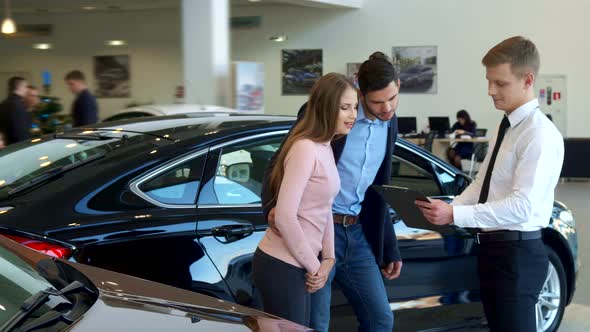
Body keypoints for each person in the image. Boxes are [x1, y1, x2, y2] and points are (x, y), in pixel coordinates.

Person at [415, 36, 564, 332]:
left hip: (518, 257)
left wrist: (454, 215)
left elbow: (523, 206)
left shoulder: (539, 134)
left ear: (527, 80)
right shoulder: (505, 125)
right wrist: (449, 207)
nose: (490, 91)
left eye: (500, 83)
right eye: (488, 81)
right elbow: (483, 181)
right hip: (494, 252)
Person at [262, 52, 403, 332]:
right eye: (377, 102)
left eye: (393, 98)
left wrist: (389, 246)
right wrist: (271, 207)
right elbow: (279, 161)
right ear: (362, 95)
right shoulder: (331, 114)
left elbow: (378, 190)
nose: (387, 108)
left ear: (399, 85)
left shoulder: (390, 122)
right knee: (317, 324)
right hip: (318, 232)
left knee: (381, 319)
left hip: (359, 233)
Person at [252, 73, 358, 327]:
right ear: (325, 107)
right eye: (345, 108)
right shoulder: (305, 148)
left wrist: (329, 259)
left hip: (300, 264)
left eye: (355, 107)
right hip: (281, 265)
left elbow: (325, 208)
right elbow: (285, 217)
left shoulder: (326, 147)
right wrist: (316, 267)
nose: (353, 115)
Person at [0, 76, 32, 145]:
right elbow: (20, 132)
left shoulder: (3, 103)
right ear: (19, 87)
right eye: (25, 87)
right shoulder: (18, 105)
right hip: (18, 147)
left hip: (6, 146)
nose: (27, 90)